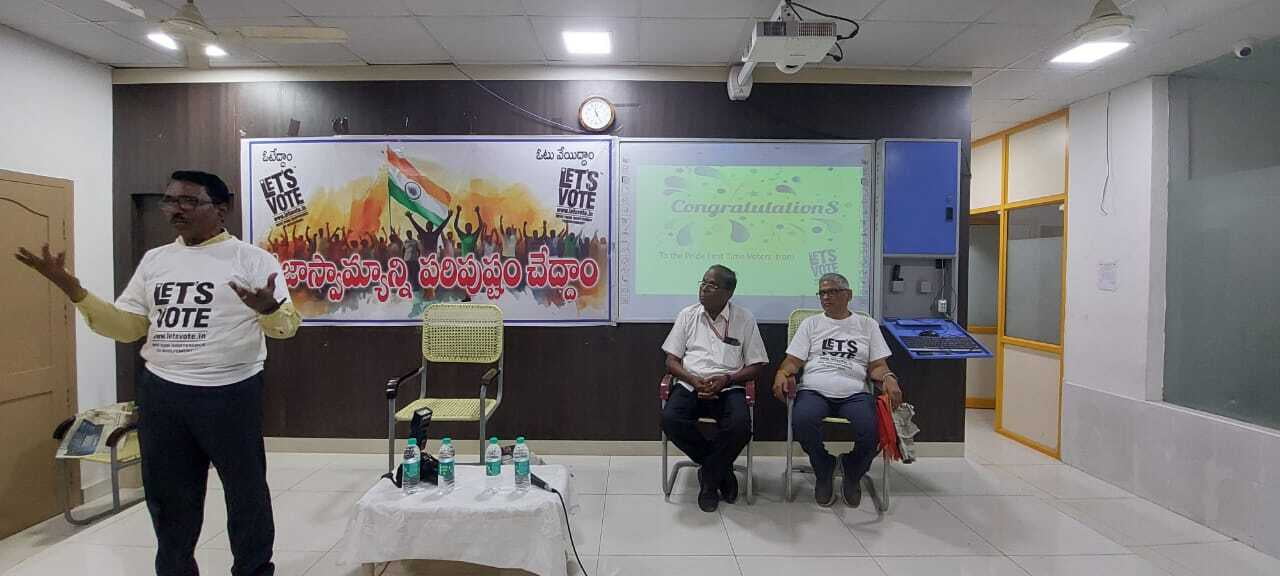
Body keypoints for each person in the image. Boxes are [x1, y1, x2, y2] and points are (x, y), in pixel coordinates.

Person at [15, 170, 300, 576]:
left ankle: (253, 569)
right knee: (169, 499)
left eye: (189, 201)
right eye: (170, 201)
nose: (176, 210)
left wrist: (268, 308)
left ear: (221, 209)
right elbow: (129, 327)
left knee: (246, 492)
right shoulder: (156, 260)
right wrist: (74, 291)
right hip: (163, 395)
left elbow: (286, 328)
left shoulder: (252, 260)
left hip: (229, 392)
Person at [773, 273, 901, 508]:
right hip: (814, 390)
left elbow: (877, 366)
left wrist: (889, 378)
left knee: (872, 431)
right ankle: (824, 468)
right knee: (801, 421)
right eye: (822, 293)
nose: (826, 297)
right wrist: (782, 373)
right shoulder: (811, 324)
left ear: (848, 295)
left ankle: (852, 472)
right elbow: (793, 361)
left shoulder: (867, 325)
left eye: (832, 292)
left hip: (855, 393)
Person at [661, 265, 768, 513]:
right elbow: (671, 361)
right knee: (670, 420)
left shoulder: (744, 319)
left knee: (741, 427)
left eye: (712, 285)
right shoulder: (688, 315)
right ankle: (721, 470)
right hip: (691, 384)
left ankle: (709, 478)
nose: (704, 288)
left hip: (728, 386)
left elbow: (756, 365)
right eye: (703, 282)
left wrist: (727, 379)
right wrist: (692, 379)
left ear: (728, 293)